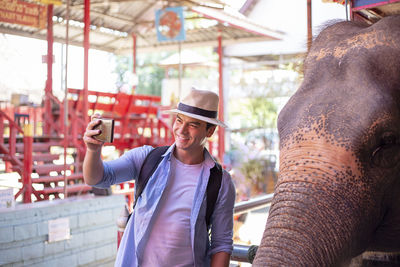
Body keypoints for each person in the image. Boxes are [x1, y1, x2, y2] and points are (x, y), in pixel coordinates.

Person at [83, 88, 236, 267]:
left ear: (210, 131)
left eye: (193, 125)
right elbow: (97, 178)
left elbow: (221, 244)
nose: (182, 130)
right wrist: (93, 151)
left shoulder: (220, 182)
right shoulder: (147, 158)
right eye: (179, 120)